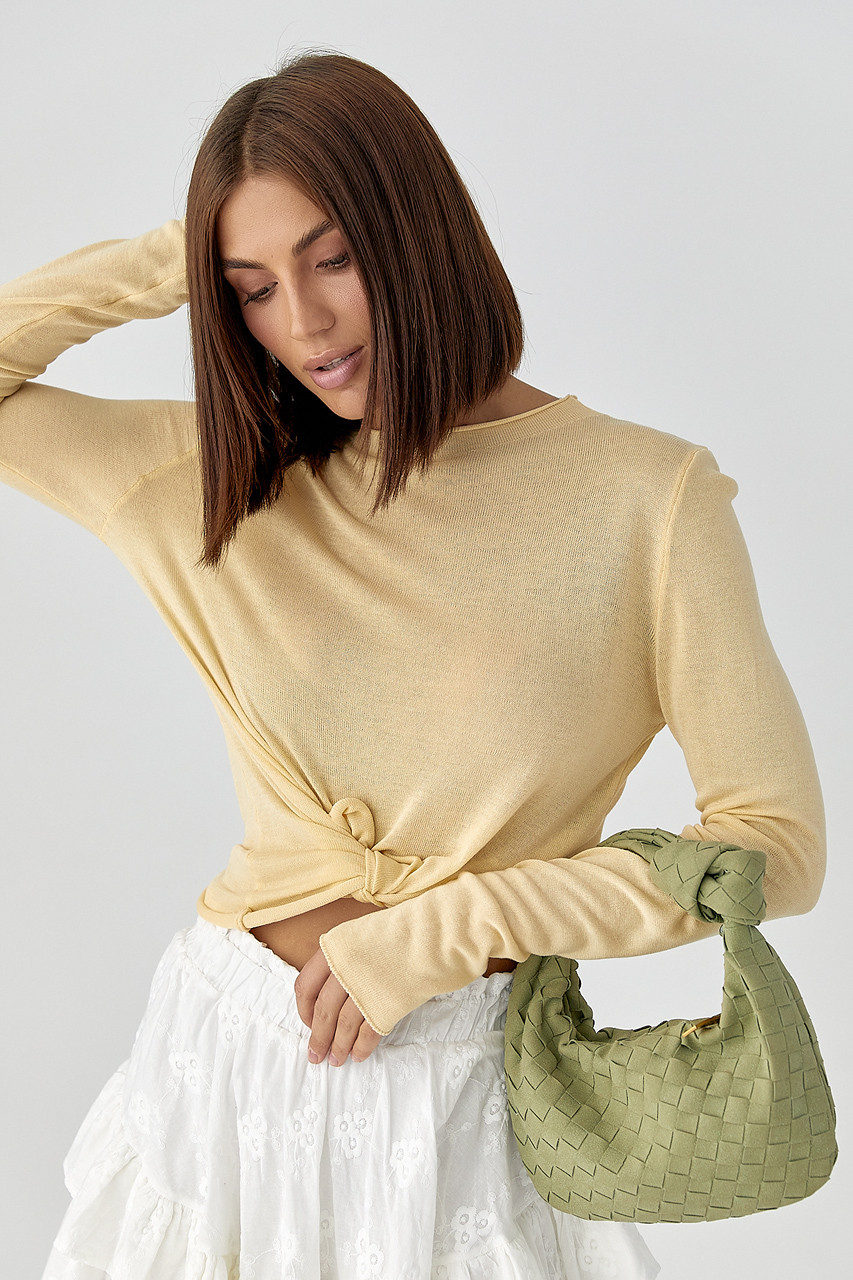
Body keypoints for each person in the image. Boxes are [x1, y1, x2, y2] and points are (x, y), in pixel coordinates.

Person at [0, 48, 824, 1280]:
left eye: (331, 258)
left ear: (418, 229)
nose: (303, 324)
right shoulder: (214, 479)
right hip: (220, 1080)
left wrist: (456, 925)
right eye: (252, 288)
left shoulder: (648, 501)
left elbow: (775, 846)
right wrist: (173, 256)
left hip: (461, 1108)